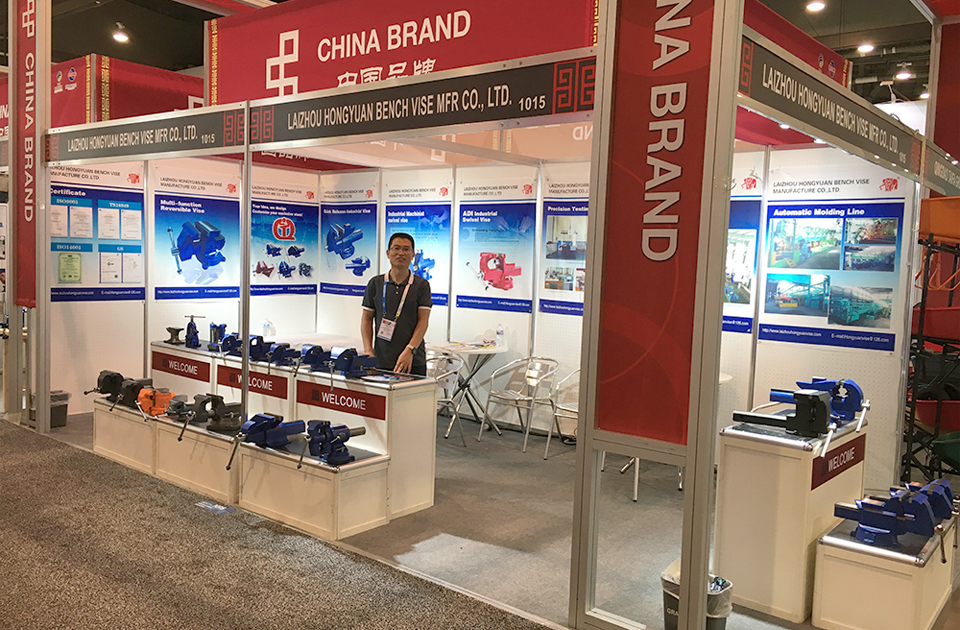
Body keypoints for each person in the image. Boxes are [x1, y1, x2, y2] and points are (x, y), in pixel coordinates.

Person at [361, 233, 431, 375]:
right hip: (381, 360)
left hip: (412, 361)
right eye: (396, 248)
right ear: (388, 253)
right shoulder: (376, 283)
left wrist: (410, 350)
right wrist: (368, 351)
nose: (401, 253)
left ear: (412, 255)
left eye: (406, 249)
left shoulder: (421, 285)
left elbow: (423, 321)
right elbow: (366, 319)